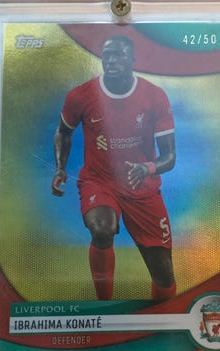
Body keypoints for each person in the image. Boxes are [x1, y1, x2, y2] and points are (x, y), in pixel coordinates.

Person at [51, 35, 176, 301]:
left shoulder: (154, 96)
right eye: (107, 55)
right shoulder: (81, 95)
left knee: (164, 274)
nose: (111, 60)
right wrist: (60, 168)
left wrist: (147, 168)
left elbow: (170, 156)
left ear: (132, 60)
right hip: (100, 182)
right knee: (102, 229)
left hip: (141, 187)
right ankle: (104, 306)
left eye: (118, 55)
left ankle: (165, 314)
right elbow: (63, 132)